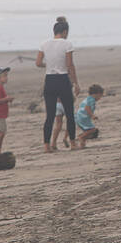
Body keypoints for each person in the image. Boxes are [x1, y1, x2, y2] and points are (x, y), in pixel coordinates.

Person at [37, 16, 80, 152]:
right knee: (69, 113)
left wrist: (49, 64)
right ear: (65, 31)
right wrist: (76, 83)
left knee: (50, 116)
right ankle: (73, 143)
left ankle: (46, 145)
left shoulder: (44, 44)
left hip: (49, 80)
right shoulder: (67, 44)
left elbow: (38, 63)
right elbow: (69, 65)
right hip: (62, 80)